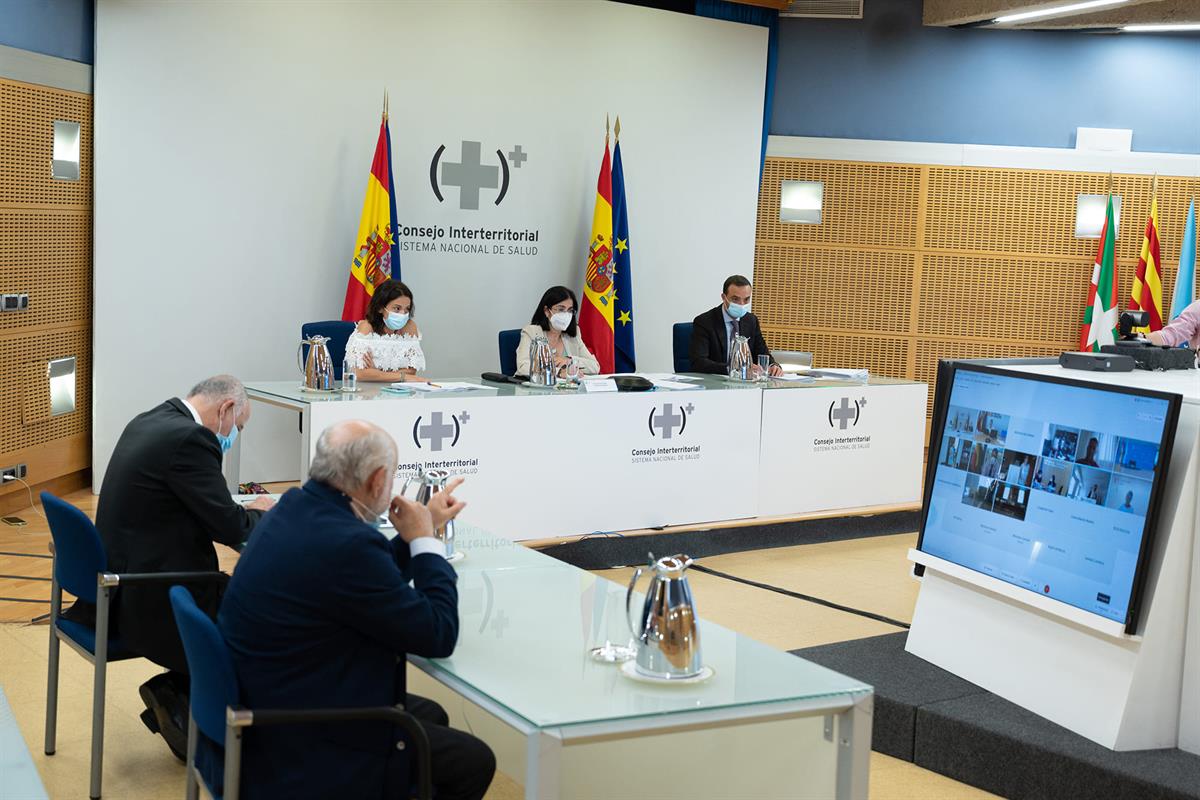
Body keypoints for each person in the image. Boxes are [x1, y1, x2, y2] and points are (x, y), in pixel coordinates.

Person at [219, 420, 495, 800]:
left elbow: (360, 583)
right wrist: (426, 543)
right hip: (300, 731)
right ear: (378, 480)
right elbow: (438, 633)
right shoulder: (347, 543)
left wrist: (416, 532)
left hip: (269, 693)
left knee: (429, 714)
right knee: (474, 761)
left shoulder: (295, 508)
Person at [70, 375, 274, 760]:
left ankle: (180, 694)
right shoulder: (192, 441)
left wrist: (236, 512)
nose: (234, 435)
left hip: (119, 587)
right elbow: (228, 527)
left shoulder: (153, 418)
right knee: (262, 613)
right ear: (226, 409)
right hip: (154, 598)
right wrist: (264, 515)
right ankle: (197, 705)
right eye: (239, 426)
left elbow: (198, 504)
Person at [688, 275, 782, 376]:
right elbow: (699, 363)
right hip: (716, 382)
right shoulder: (705, 321)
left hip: (746, 385)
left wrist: (773, 365)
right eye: (735, 299)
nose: (741, 304)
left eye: (746, 299)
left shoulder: (751, 321)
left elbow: (762, 352)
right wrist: (734, 369)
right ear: (724, 298)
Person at [344, 279, 426, 382]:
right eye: (397, 308)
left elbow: (411, 370)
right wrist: (402, 376)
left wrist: (376, 373)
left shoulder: (409, 327)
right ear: (380, 308)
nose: (403, 313)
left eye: (407, 309)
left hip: (398, 391)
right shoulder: (367, 327)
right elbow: (360, 373)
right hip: (367, 391)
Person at [515, 285, 600, 378]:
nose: (566, 315)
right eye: (561, 309)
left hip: (566, 390)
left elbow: (595, 367)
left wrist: (569, 360)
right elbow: (523, 367)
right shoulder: (531, 332)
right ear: (547, 311)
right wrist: (559, 372)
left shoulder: (573, 335)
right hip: (534, 389)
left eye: (570, 310)